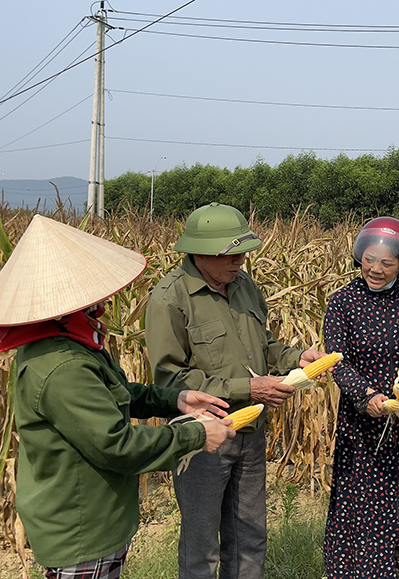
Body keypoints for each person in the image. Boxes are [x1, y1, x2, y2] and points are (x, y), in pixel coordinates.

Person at [0, 215, 236, 579]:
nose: (102, 299)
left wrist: (174, 400)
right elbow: (118, 445)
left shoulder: (63, 343)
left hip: (93, 519)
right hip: (82, 529)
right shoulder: (62, 365)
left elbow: (114, 394)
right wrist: (196, 434)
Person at [145, 202, 326, 579]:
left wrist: (297, 358)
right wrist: (250, 388)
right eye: (232, 253)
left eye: (243, 251)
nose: (241, 260)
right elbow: (169, 381)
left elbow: (266, 346)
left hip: (250, 434)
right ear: (199, 252)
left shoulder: (245, 287)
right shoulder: (170, 299)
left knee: (249, 535)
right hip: (202, 439)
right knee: (201, 546)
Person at [322, 217, 399, 579]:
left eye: (386, 263)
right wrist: (366, 395)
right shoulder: (342, 301)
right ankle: (360, 570)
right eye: (369, 260)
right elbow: (336, 361)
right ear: (359, 257)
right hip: (361, 421)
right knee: (362, 500)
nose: (375, 269)